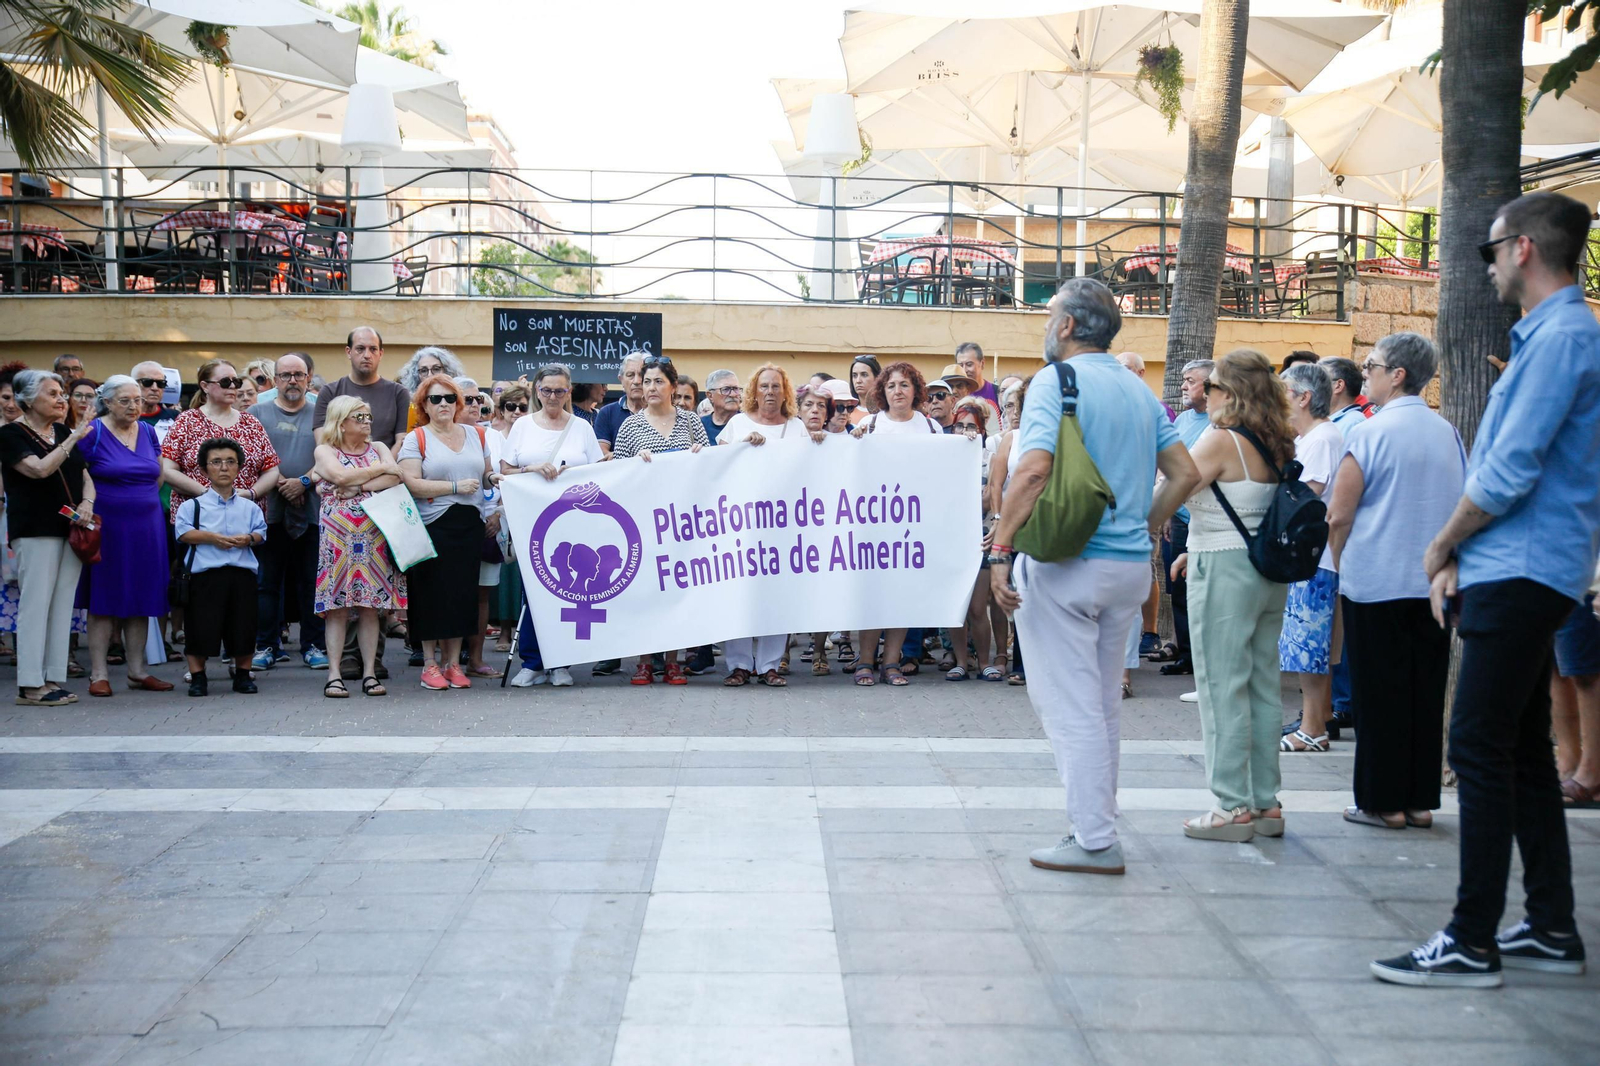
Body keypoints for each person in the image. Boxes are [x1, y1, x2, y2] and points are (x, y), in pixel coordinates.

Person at [1374, 192, 1599, 987]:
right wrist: (1460, 556)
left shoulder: (1563, 336)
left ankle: (1472, 937)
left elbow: (1511, 467)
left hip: (1526, 567)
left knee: (1474, 745)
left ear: (1526, 249)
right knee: (1524, 750)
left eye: (1491, 249)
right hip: (1522, 564)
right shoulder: (1553, 335)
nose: (1490, 263)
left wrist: (1443, 542)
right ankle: (1549, 922)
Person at [989, 279, 1197, 875]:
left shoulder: (1057, 381)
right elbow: (1182, 474)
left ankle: (1095, 839)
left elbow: (1031, 471)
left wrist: (1001, 548)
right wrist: (1146, 524)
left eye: (1048, 314)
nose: (1044, 324)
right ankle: (1095, 826)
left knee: (1070, 705)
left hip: (1067, 565)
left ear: (1068, 326)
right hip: (1128, 567)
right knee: (1102, 704)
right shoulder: (1137, 387)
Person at [1325, 333, 1464, 831]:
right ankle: (1419, 800)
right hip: (1429, 581)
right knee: (1423, 693)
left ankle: (1382, 802)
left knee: (1379, 695)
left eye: (1372, 365)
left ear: (1398, 374)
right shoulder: (1445, 430)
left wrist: (1338, 562)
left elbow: (1339, 514)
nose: (1366, 373)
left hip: (1376, 578)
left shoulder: (1368, 431)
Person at [1168, 349, 1296, 843]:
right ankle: (1265, 802)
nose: (1206, 394)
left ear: (1231, 393)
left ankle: (1230, 806)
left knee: (1221, 686)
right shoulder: (1277, 439)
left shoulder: (1221, 439)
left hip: (1223, 567)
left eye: (1213, 387)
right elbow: (1245, 507)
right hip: (1265, 568)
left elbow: (1179, 486)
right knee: (1262, 684)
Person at [716, 363, 820, 687]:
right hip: (742, 523)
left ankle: (770, 664)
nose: (770, 392)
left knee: (776, 594)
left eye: (776, 386)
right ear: (754, 391)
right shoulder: (737, 423)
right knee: (740, 593)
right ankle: (739, 665)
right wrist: (742, 445)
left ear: (785, 392)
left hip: (783, 525)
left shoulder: (796, 426)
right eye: (764, 386)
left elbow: (810, 468)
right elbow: (717, 464)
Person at [502, 364, 605, 688]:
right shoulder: (521, 426)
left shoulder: (582, 428)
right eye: (547, 390)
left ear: (569, 391)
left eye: (560, 391)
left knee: (567, 589)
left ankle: (560, 662)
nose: (553, 396)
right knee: (533, 590)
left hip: (573, 523)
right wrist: (531, 469)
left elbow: (598, 474)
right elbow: (505, 471)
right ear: (536, 390)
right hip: (532, 521)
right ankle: (532, 662)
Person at [611, 355, 709, 685]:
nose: (650, 387)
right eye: (646, 381)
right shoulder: (630, 425)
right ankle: (643, 660)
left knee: (677, 591)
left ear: (672, 385)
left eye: (658, 381)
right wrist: (635, 465)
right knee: (647, 592)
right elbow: (618, 476)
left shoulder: (691, 422)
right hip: (644, 522)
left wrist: (700, 456)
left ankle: (672, 661)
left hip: (682, 522)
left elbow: (712, 467)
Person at [0, 370, 96, 706]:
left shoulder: (62, 430)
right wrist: (73, 438)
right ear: (27, 399)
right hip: (35, 529)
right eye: (52, 393)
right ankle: (29, 685)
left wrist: (87, 503)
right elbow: (39, 469)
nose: (61, 399)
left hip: (69, 528)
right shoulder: (11, 434)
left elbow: (85, 475)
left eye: (61, 393)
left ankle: (53, 678)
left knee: (61, 605)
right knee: (35, 605)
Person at [73, 377, 173, 697]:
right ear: (107, 402)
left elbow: (157, 476)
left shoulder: (146, 431)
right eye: (125, 401)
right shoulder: (94, 432)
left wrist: (139, 502)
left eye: (138, 400)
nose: (134, 406)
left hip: (147, 525)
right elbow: (79, 474)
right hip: (109, 525)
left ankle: (137, 671)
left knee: (142, 597)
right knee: (104, 597)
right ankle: (99, 673)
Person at [397, 374, 497, 692]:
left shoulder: (476, 434)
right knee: (431, 596)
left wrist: (506, 477)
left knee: (462, 595)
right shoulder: (417, 438)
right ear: (424, 404)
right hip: (432, 526)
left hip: (469, 526)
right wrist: (453, 487)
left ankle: (453, 664)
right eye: (436, 399)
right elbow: (411, 482)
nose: (443, 404)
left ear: (459, 403)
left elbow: (486, 475)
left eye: (450, 398)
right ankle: (430, 664)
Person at [850, 361, 942, 687]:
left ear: (916, 390)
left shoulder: (931, 429)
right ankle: (865, 660)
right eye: (891, 385)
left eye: (904, 384)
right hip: (876, 525)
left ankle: (891, 663)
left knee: (902, 595)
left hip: (914, 527)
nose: (898, 391)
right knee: (874, 596)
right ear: (882, 391)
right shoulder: (870, 426)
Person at [312, 395, 406, 699]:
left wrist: (358, 486)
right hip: (336, 540)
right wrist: (372, 472)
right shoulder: (325, 450)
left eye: (368, 417)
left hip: (373, 535)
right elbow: (337, 475)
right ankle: (334, 674)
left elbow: (395, 476)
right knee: (337, 608)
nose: (367, 423)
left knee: (370, 607)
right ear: (341, 422)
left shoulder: (378, 448)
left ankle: (369, 672)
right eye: (360, 418)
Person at [1277, 362, 1345, 753]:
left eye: (1284, 392)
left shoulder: (1321, 439)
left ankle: (1314, 726)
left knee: (1309, 646)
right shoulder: (1315, 437)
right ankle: (1318, 719)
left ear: (1304, 397)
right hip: (1312, 557)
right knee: (1308, 646)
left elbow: (1309, 493)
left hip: (1315, 558)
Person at [247, 353, 327, 672]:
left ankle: (314, 646)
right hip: (269, 510)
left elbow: (331, 454)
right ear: (275, 378)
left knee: (312, 582)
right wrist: (281, 483)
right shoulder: (256, 413)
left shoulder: (321, 413)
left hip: (312, 510)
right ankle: (266, 645)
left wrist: (303, 481)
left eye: (298, 374)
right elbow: (250, 457)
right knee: (267, 582)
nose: (292, 380)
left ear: (309, 378)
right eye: (285, 375)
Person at [174, 438, 267, 697]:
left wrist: (248, 539)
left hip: (241, 573)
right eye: (216, 462)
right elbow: (183, 534)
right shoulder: (192, 506)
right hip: (205, 575)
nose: (223, 468)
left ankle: (242, 675)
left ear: (239, 468)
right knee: (200, 626)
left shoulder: (249, 507)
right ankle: (199, 677)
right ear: (204, 470)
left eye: (230, 462)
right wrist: (213, 538)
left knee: (244, 625)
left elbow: (261, 532)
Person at [161, 360, 281, 528]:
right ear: (205, 386)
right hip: (197, 521)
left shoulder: (250, 423)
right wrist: (208, 494)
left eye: (236, 382)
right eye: (225, 382)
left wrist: (251, 494)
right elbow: (168, 469)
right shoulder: (187, 421)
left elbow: (271, 470)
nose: (232, 386)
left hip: (245, 520)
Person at [1158, 359, 1214, 679]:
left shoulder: (1218, 424)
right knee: (1178, 587)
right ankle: (1187, 654)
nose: (1183, 386)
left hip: (1206, 519)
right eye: (1183, 380)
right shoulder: (1181, 420)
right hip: (1180, 517)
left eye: (1190, 380)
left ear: (1208, 386)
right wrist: (1166, 514)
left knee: (1200, 589)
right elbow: (1170, 467)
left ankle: (1204, 657)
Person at [946, 398, 1003, 682]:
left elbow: (986, 501)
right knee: (957, 605)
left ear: (982, 431)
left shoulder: (990, 459)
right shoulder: (941, 457)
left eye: (971, 426)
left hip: (979, 538)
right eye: (959, 425)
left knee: (979, 607)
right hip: (949, 538)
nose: (965, 431)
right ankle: (960, 662)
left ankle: (984, 662)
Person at [988, 378, 1030, 686]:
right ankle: (1022, 665)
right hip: (1016, 523)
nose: (1014, 412)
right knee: (1021, 593)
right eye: (1009, 406)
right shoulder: (1010, 439)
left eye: (1019, 405)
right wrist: (1001, 518)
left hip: (1047, 521)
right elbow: (995, 483)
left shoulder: (1053, 434)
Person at [1551, 560, 1600, 807]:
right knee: (1557, 665)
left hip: (1591, 572)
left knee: (1587, 672)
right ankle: (1569, 766)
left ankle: (1593, 774)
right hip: (1559, 569)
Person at [313, 328, 413, 448]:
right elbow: (323, 443)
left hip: (388, 464)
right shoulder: (330, 392)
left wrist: (382, 466)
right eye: (360, 349)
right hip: (339, 465)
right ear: (348, 352)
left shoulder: (399, 393)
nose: (367, 355)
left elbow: (401, 441)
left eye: (373, 349)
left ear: (380, 354)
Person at [395, 346, 465, 432]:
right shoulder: (408, 405)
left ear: (447, 371)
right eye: (424, 370)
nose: (430, 375)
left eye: (436, 369)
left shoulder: (459, 399)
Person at [595, 352, 648, 455]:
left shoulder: (658, 412)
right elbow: (600, 453)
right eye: (630, 375)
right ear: (621, 380)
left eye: (641, 375)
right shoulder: (607, 413)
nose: (636, 381)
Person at [1323, 356, 1372, 431]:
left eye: (1319, 379)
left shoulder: (1353, 424)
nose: (1312, 385)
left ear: (1338, 386)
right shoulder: (1325, 420)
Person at [955, 341, 1001, 415]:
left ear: (982, 363)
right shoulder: (953, 395)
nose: (964, 370)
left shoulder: (997, 393)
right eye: (960, 365)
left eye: (969, 365)